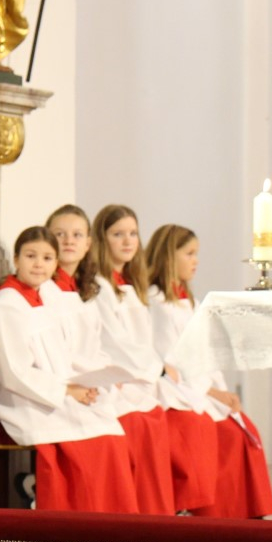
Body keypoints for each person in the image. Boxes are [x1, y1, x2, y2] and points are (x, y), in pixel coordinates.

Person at [0, 227, 139, 513]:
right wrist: (66, 391)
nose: (39, 264)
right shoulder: (6, 304)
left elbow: (61, 356)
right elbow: (13, 372)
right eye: (31, 256)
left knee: (109, 428)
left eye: (47, 258)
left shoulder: (45, 300)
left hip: (53, 391)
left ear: (55, 263)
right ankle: (70, 522)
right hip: (21, 397)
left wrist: (79, 386)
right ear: (16, 259)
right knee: (93, 439)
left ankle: (108, 526)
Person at [85, 204, 218, 515]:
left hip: (140, 375)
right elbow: (115, 341)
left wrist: (155, 369)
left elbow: (142, 341)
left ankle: (164, 512)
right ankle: (147, 514)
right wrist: (156, 369)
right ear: (102, 239)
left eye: (133, 233)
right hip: (120, 375)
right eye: (118, 234)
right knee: (147, 420)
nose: (127, 241)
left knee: (160, 415)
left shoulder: (130, 285)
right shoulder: (101, 286)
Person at [146, 224, 272, 519]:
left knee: (244, 431)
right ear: (169, 256)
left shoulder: (191, 301)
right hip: (179, 391)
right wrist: (210, 392)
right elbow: (172, 360)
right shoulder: (157, 301)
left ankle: (244, 517)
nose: (196, 261)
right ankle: (215, 518)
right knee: (225, 436)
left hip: (202, 389)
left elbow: (208, 354)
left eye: (197, 254)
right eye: (189, 253)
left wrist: (222, 392)